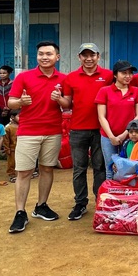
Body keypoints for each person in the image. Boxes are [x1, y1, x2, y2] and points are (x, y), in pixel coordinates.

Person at [7, 41, 66, 234]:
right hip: (28, 130)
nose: (44, 57)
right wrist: (20, 102)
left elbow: (68, 104)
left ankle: (41, 205)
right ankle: (20, 212)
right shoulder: (24, 77)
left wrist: (60, 100)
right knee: (24, 172)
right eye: (41, 54)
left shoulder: (64, 79)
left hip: (53, 130)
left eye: (49, 54)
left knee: (47, 169)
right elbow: (11, 103)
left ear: (57, 57)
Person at [57, 42, 113, 221]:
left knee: (100, 167)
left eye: (92, 55)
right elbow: (67, 103)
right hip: (78, 129)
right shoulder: (70, 78)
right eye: (85, 55)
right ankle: (80, 203)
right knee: (79, 168)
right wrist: (59, 99)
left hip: (101, 129)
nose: (89, 59)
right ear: (79, 57)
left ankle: (100, 201)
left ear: (98, 56)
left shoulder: (108, 75)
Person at [95, 60, 138, 180]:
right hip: (107, 136)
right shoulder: (104, 91)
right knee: (110, 168)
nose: (128, 76)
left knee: (130, 167)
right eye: (124, 73)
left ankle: (127, 197)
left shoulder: (136, 91)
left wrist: (124, 135)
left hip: (130, 136)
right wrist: (111, 136)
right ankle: (109, 197)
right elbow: (101, 116)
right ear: (115, 75)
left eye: (130, 73)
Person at [3, 110, 19, 183]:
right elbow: (5, 140)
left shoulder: (23, 126)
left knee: (20, 162)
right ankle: (12, 175)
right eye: (19, 116)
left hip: (22, 148)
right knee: (11, 163)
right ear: (12, 117)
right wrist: (7, 149)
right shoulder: (8, 128)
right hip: (12, 149)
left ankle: (20, 174)